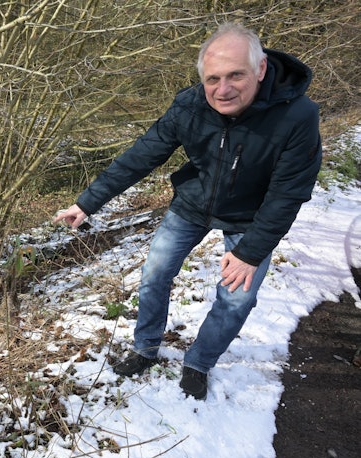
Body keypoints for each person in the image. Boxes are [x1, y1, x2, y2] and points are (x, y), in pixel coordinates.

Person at [52, 22, 322, 400]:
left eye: (235, 75)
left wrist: (250, 252)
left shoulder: (298, 116)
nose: (223, 89)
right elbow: (142, 155)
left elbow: (288, 193)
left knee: (237, 298)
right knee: (154, 274)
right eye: (213, 79)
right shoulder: (190, 105)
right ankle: (145, 347)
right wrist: (87, 202)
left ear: (260, 69)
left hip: (252, 217)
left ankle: (199, 362)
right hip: (192, 204)